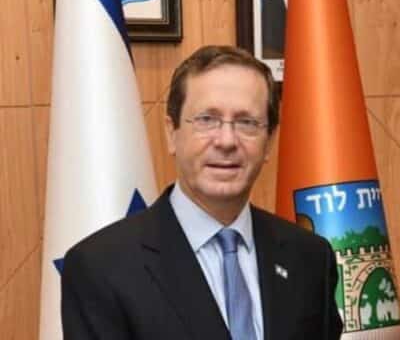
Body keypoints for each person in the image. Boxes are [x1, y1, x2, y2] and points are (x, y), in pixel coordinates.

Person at [61, 45, 342, 339]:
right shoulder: (102, 267)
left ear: (269, 141)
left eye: (247, 122)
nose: (226, 141)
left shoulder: (310, 257)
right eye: (207, 119)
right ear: (172, 132)